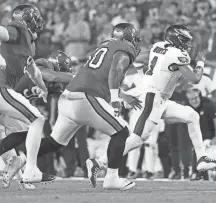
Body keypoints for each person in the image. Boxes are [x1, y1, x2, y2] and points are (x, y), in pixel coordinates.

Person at [9, 23, 143, 191]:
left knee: (55, 142)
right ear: (128, 38)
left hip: (68, 98)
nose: (136, 44)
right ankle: (112, 178)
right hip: (86, 98)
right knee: (122, 132)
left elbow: (100, 76)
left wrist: (122, 95)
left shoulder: (105, 45)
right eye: (135, 40)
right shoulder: (124, 48)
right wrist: (116, 98)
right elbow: (115, 71)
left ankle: (20, 160)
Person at [123, 24, 216, 174]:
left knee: (192, 116)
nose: (187, 44)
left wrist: (141, 67)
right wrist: (201, 63)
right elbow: (196, 79)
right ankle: (100, 161)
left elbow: (141, 57)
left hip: (159, 97)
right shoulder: (176, 55)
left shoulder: (158, 45)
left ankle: (202, 158)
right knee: (137, 140)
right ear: (175, 39)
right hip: (153, 97)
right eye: (184, 40)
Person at [0, 50, 73, 188]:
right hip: (4, 98)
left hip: (8, 107)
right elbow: (51, 76)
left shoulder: (55, 86)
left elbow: (63, 93)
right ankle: (25, 170)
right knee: (34, 122)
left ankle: (20, 173)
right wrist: (77, 77)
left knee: (27, 131)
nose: (64, 75)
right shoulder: (42, 65)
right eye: (63, 71)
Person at [0, 4, 55, 185]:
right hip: (2, 87)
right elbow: (4, 33)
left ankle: (15, 164)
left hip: (5, 90)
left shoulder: (28, 45)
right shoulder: (18, 30)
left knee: (22, 129)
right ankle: (31, 171)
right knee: (37, 119)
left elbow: (34, 72)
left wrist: (43, 88)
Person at [185, 85, 216, 180]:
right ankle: (200, 174)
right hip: (206, 121)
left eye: (195, 98)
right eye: (191, 99)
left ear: (199, 96)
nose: (194, 101)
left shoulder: (208, 104)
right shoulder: (187, 107)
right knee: (199, 145)